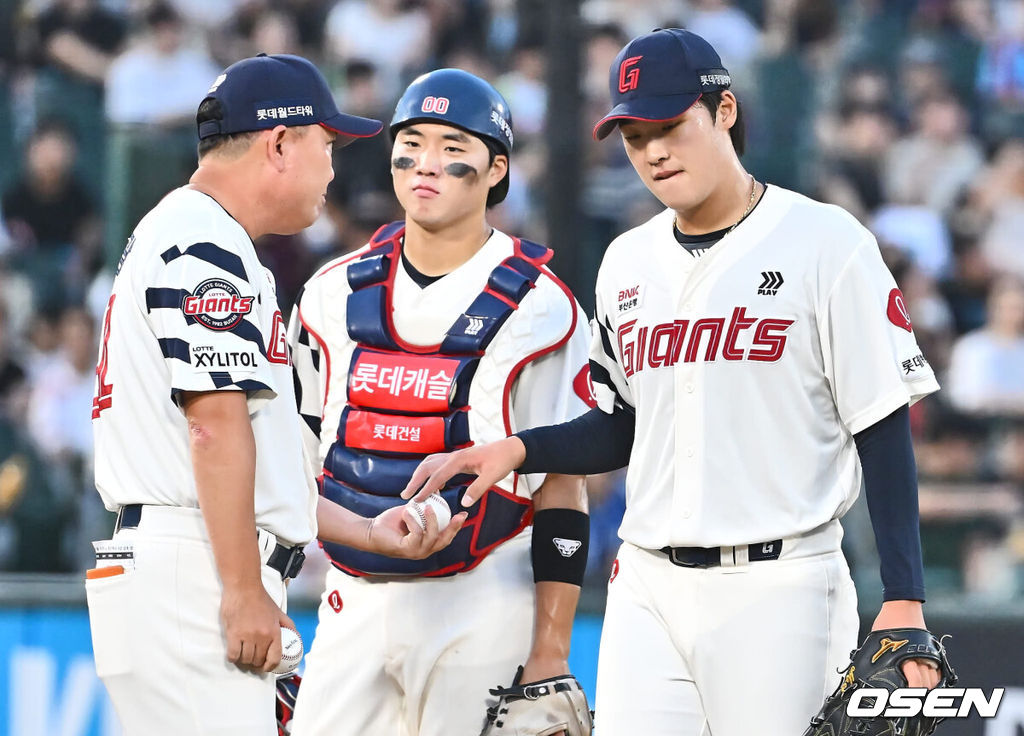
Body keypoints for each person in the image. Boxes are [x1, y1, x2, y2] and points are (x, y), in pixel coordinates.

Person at [404, 29, 945, 735]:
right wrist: (517, 450)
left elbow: (880, 422)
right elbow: (623, 423)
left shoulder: (827, 243)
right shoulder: (626, 262)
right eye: (633, 135)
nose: (653, 151)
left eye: (669, 126)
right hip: (647, 585)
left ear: (723, 112)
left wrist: (904, 595)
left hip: (779, 584)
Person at [87, 53, 463, 736]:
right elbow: (214, 428)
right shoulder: (204, 244)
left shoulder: (193, 233)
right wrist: (241, 590)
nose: (333, 167)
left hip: (186, 558)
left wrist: (365, 531)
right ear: (280, 143)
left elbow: (257, 457)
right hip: (195, 567)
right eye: (327, 143)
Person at [287, 68, 594, 736]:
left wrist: (550, 649)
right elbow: (290, 468)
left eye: (453, 145)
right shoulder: (327, 294)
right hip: (353, 595)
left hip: (485, 595)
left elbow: (562, 486)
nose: (427, 162)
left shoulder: (546, 307)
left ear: (496, 168)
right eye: (413, 140)